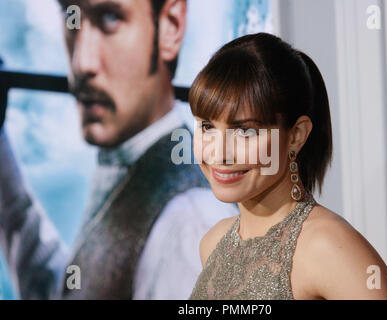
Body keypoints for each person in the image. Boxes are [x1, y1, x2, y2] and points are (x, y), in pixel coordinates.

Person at [0, 0, 237, 299]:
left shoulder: (189, 226)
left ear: (170, 27)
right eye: (71, 18)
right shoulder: (128, 167)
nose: (81, 63)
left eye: (110, 18)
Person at [188, 33, 387, 300]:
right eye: (207, 126)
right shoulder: (213, 243)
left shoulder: (328, 247)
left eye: (244, 131)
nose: (218, 153)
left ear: (296, 135)